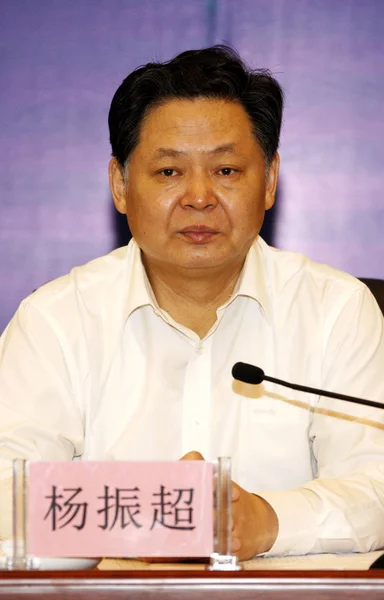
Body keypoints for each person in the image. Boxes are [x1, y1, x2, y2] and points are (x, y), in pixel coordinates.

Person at [0, 45, 384, 560]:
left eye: (226, 171)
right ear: (119, 184)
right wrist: (155, 516)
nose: (199, 197)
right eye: (168, 173)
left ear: (269, 180)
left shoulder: (338, 310)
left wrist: (263, 522)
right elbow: (8, 491)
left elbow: (376, 485)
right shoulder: (55, 320)